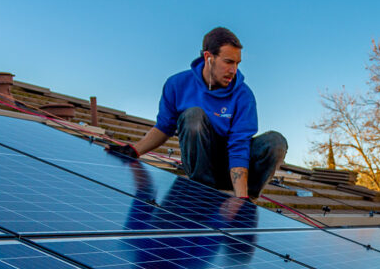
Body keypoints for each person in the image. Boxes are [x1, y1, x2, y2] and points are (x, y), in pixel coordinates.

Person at [108, 27, 287, 200]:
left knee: (276, 142)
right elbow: (164, 127)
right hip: (201, 166)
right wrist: (134, 150)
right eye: (228, 62)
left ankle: (248, 198)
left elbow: (239, 146)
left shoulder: (243, 95)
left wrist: (241, 198)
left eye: (237, 63)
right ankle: (202, 193)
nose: (234, 70)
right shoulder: (177, 84)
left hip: (235, 170)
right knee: (193, 115)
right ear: (208, 57)